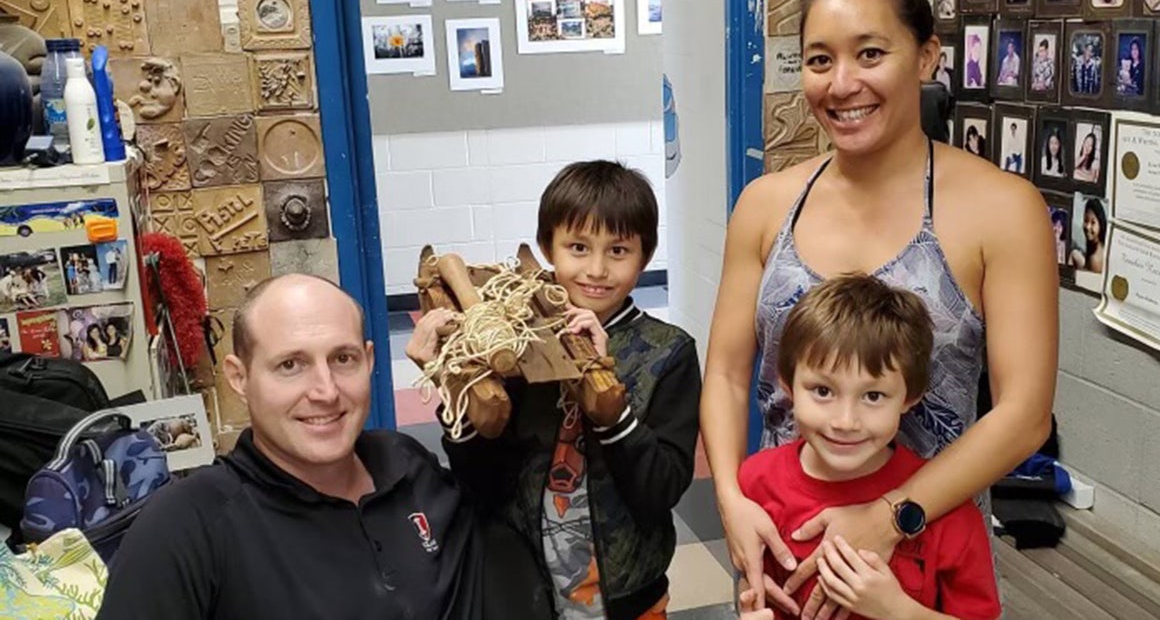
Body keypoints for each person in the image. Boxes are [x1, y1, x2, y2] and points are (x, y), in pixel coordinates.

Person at [698, 0, 1055, 617]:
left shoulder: (1003, 209)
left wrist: (889, 518)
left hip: (926, 553)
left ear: (925, 57)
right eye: (819, 60)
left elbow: (1025, 412)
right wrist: (732, 501)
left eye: (869, 52)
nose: (842, 83)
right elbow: (724, 372)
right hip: (787, 546)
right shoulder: (766, 203)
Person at [98, 274, 497, 620]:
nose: (325, 391)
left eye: (343, 358)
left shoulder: (408, 465)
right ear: (239, 377)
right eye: (290, 365)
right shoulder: (187, 528)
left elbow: (505, 506)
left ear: (369, 361)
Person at [409, 161, 702, 620]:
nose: (597, 269)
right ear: (548, 248)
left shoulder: (669, 353)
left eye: (619, 250)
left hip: (631, 598)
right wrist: (457, 385)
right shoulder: (518, 343)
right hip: (527, 592)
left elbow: (661, 489)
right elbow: (484, 486)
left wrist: (609, 402)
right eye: (579, 247)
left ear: (645, 255)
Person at [736, 275, 1001, 620]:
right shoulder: (756, 482)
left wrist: (898, 612)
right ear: (788, 385)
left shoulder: (947, 512)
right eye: (822, 391)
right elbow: (754, 587)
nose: (846, 421)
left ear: (909, 397)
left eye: (873, 396)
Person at [1070, 198, 1107, 273]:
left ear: (1101, 224)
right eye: (1086, 220)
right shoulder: (1098, 245)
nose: (1087, 227)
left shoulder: (1095, 258)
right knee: (1074, 253)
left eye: (1093, 222)